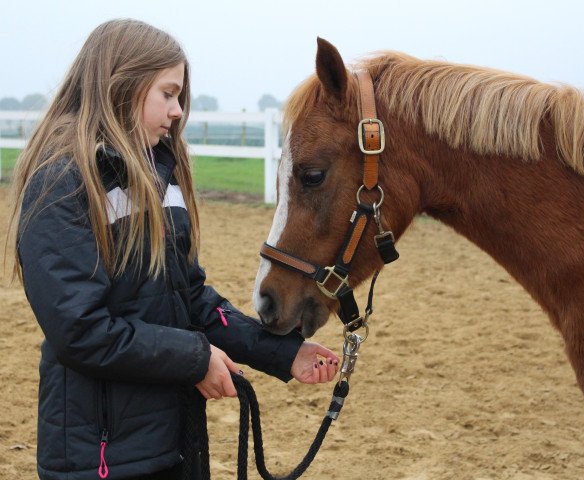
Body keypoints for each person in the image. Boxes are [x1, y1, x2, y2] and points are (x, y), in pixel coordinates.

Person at [7, 19, 339, 480]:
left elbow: (192, 299)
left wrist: (282, 353)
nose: (178, 110)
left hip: (172, 440)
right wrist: (195, 358)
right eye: (167, 93)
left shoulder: (159, 179)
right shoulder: (63, 185)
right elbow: (80, 330)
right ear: (120, 84)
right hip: (101, 460)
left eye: (179, 96)